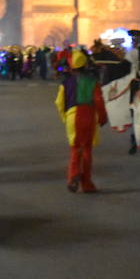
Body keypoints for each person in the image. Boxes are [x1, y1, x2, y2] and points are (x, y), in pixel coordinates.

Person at [55, 49, 107, 192]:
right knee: (87, 151)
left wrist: (65, 118)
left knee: (75, 148)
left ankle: (73, 176)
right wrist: (102, 117)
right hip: (88, 116)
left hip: (72, 116)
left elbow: (59, 103)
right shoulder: (93, 82)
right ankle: (87, 184)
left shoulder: (65, 83)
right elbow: (98, 100)